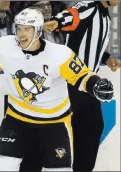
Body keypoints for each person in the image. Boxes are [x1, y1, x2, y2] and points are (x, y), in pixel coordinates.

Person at [0, 8, 114, 171]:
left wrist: (97, 85)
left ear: (38, 30)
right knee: (4, 166)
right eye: (19, 28)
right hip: (17, 118)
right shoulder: (5, 47)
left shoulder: (59, 54)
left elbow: (82, 76)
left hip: (54, 122)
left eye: (27, 29)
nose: (21, 34)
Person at [44, 1, 120, 171]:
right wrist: (57, 22)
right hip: (70, 83)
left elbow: (92, 42)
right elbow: (73, 14)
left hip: (88, 86)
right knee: (62, 135)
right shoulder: (90, 5)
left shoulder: (104, 14)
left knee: (93, 126)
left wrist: (106, 58)